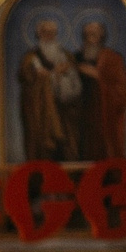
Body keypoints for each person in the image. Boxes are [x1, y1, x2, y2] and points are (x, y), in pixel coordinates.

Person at [16, 17, 77, 162]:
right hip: (40, 110)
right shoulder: (31, 58)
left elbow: (74, 80)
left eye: (52, 32)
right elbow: (28, 78)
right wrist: (53, 74)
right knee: (42, 149)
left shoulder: (65, 55)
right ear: (39, 34)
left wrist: (65, 73)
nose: (49, 36)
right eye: (46, 32)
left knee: (66, 147)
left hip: (64, 110)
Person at [74, 18, 126, 161]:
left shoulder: (113, 59)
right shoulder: (76, 57)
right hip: (79, 112)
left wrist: (97, 75)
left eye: (94, 34)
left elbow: (122, 90)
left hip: (102, 114)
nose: (90, 38)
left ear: (101, 36)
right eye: (87, 34)